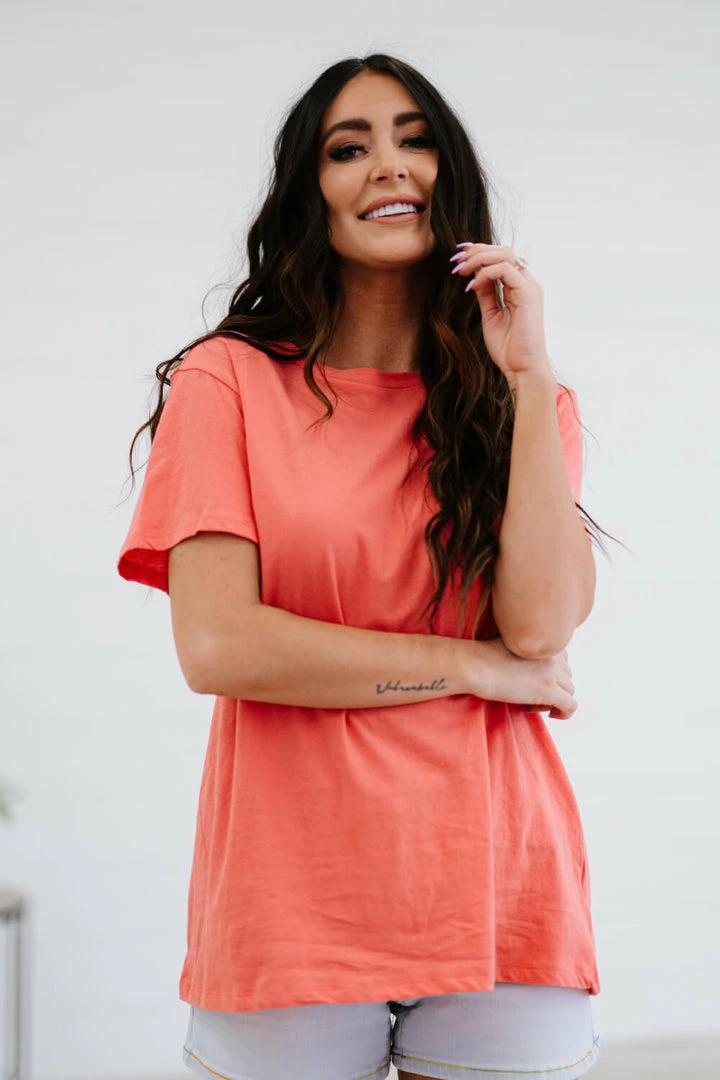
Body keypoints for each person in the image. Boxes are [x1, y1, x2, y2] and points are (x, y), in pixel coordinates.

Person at [117, 52, 612, 1080]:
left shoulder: (526, 405)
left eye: (414, 139)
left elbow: (540, 628)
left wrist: (527, 379)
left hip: (500, 886)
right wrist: (471, 667)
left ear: (448, 174)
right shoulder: (227, 382)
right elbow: (219, 646)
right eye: (349, 149)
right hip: (291, 894)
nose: (389, 165)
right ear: (311, 190)